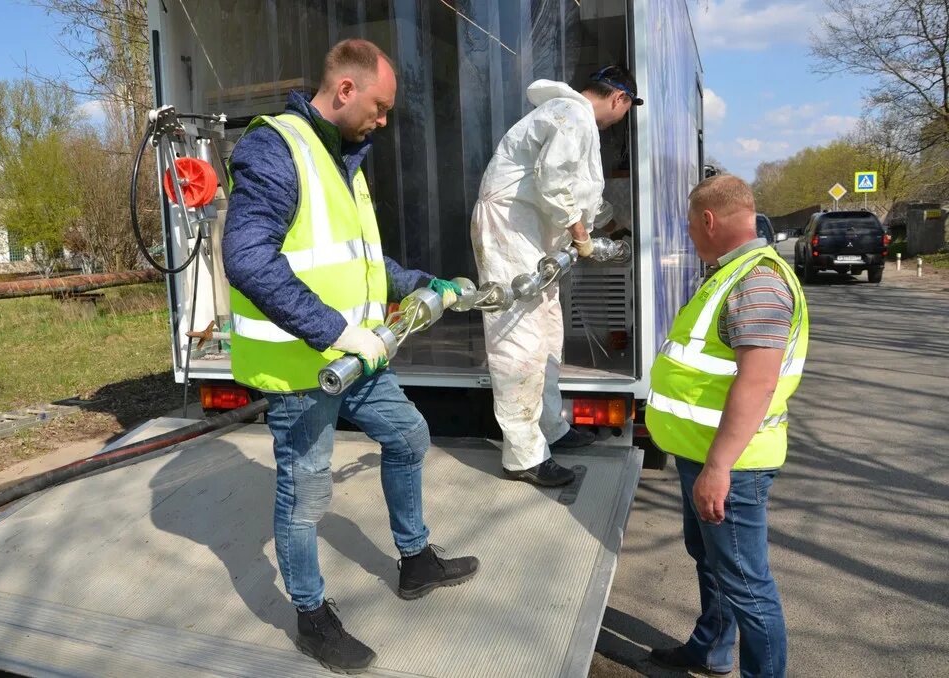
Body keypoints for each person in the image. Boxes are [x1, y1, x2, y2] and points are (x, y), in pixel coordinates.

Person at [222, 39, 479, 675]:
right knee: (304, 493)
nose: (384, 121)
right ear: (344, 90)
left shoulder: (344, 161)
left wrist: (421, 283)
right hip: (302, 367)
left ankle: (415, 560)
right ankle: (312, 617)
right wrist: (336, 331)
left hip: (358, 358)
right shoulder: (274, 147)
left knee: (409, 434)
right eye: (381, 106)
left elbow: (361, 263)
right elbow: (248, 257)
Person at [646, 174, 809, 678]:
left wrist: (718, 467)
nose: (690, 235)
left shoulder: (757, 281)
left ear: (709, 220)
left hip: (731, 465)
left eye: (692, 225)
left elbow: (756, 384)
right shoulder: (730, 274)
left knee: (747, 584)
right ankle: (711, 650)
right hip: (703, 453)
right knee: (711, 562)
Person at [470, 65, 643, 487]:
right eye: (627, 109)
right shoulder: (574, 114)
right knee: (519, 342)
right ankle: (523, 455)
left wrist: (607, 226)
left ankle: (550, 428)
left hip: (531, 235)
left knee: (547, 336)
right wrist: (582, 236)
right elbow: (554, 181)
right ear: (620, 99)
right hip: (510, 229)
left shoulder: (570, 117)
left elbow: (577, 191)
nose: (623, 118)